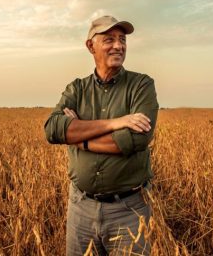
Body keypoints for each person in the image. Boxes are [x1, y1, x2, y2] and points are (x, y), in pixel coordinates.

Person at [44, 15, 159, 255]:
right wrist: (116, 122)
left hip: (129, 210)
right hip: (80, 209)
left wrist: (79, 136)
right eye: (109, 39)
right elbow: (53, 129)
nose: (118, 45)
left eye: (122, 39)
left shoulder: (141, 85)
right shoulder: (76, 88)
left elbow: (136, 139)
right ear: (90, 46)